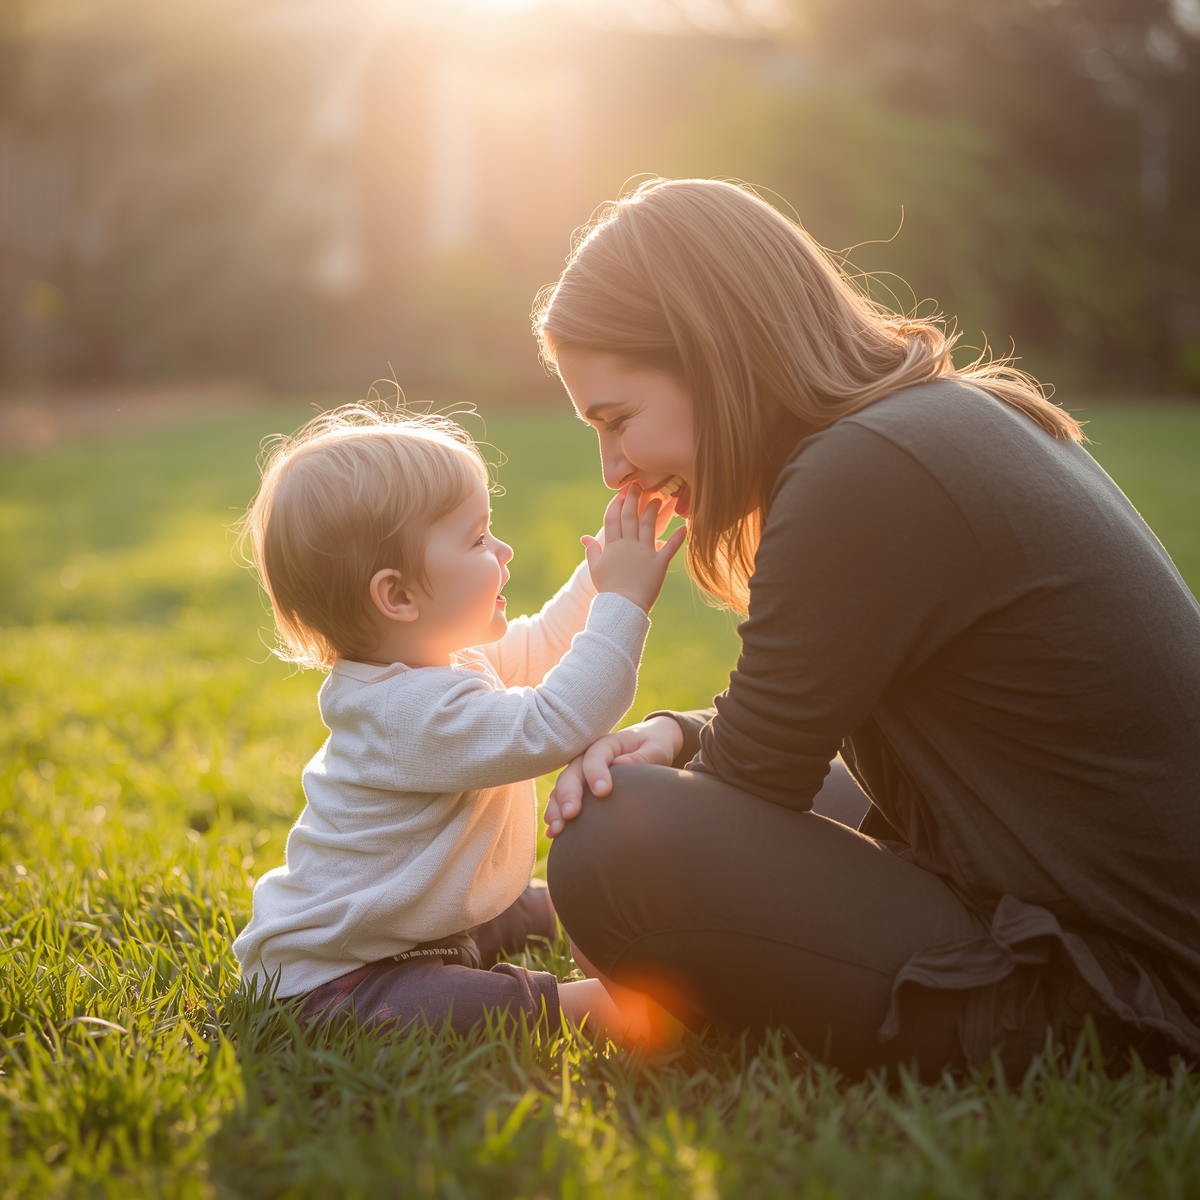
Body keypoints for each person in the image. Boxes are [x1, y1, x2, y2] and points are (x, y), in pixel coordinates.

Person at [538, 178, 1200, 1080]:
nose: (616, 470)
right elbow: (788, 735)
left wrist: (666, 850)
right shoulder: (933, 416)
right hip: (1055, 873)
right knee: (653, 794)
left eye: (619, 421)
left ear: (716, 356)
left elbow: (754, 783)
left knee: (617, 847)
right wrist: (678, 733)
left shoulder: (864, 467)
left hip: (1131, 980)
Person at [231, 404, 685, 1043]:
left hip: (424, 920)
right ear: (399, 597)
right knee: (451, 1004)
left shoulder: (438, 661)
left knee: (536, 903)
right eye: (476, 540)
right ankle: (589, 1008)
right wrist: (624, 602)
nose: (503, 550)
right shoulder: (407, 714)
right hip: (339, 981)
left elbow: (544, 643)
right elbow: (553, 721)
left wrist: (608, 561)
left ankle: (554, 921)